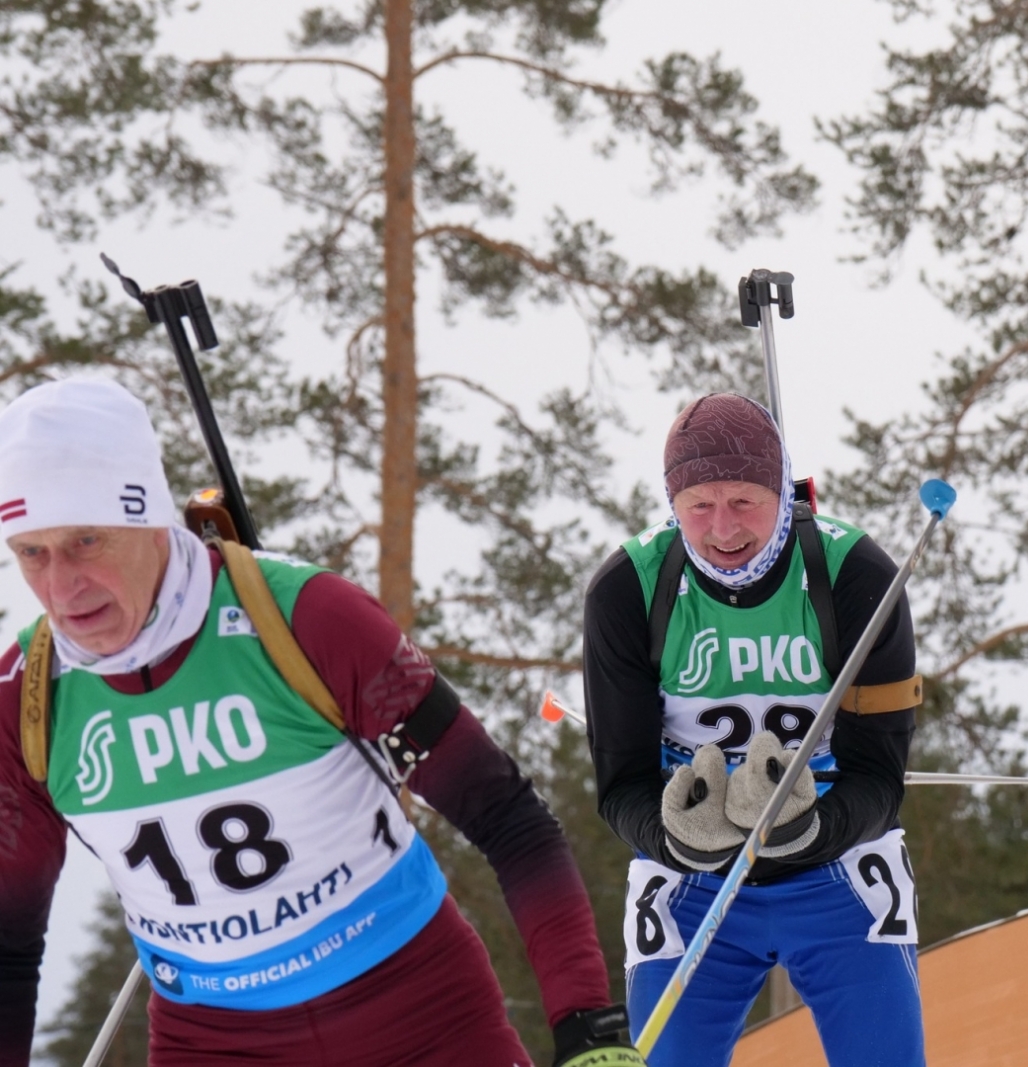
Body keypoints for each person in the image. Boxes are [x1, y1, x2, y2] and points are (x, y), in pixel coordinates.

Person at [0, 378, 642, 1067]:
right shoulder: (28, 702)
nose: (62, 586)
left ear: (151, 516)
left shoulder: (307, 618)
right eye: (31, 552)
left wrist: (587, 1027)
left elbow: (506, 814)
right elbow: (8, 941)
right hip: (214, 1043)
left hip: (421, 1013)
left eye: (86, 540)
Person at [583, 392, 926, 1067]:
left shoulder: (856, 576)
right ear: (671, 502)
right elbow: (620, 785)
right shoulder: (629, 591)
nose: (723, 529)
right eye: (699, 505)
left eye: (745, 500)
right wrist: (679, 837)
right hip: (692, 886)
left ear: (782, 486)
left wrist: (812, 831)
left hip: (840, 868)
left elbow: (881, 781)